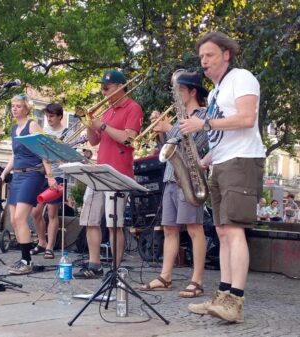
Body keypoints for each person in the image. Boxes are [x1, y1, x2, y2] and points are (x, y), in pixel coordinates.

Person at [181, 31, 266, 323]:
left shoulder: (241, 77)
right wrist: (204, 160)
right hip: (223, 162)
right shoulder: (217, 91)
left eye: (210, 55)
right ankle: (223, 294)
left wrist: (203, 122)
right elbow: (220, 136)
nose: (204, 61)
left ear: (226, 54)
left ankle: (236, 301)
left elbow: (246, 119)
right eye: (202, 56)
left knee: (234, 229)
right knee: (222, 231)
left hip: (242, 161)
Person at [139, 72, 208, 298]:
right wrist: (160, 132)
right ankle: (165, 276)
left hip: (190, 178)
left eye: (181, 90)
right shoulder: (178, 119)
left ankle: (196, 280)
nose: (177, 95)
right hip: (171, 176)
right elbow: (167, 149)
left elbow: (194, 143)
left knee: (194, 228)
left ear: (192, 91)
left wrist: (168, 128)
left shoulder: (203, 115)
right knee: (169, 228)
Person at [74, 69, 143, 279]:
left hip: (118, 172)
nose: (103, 92)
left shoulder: (133, 108)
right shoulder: (107, 110)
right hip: (99, 170)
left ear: (121, 87)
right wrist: (89, 125)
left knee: (115, 223)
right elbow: (95, 141)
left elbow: (128, 139)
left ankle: (115, 267)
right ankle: (95, 264)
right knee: (90, 220)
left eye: (107, 88)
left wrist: (102, 125)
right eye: (102, 88)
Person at [0, 94, 56, 275]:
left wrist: (50, 176)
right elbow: (15, 155)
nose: (14, 108)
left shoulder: (32, 125)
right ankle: (24, 258)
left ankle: (27, 261)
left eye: (18, 106)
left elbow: (44, 150)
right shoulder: (14, 128)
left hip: (32, 175)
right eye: (13, 106)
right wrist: (4, 173)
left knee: (20, 218)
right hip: (17, 175)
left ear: (27, 109)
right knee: (13, 220)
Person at [30, 103, 67, 260]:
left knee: (52, 212)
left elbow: (68, 154)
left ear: (59, 116)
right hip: (42, 175)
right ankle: (42, 242)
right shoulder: (43, 132)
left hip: (58, 176)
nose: (49, 119)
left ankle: (50, 247)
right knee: (35, 211)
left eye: (52, 116)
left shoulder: (66, 133)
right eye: (47, 116)